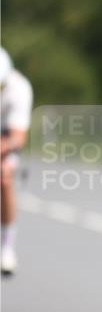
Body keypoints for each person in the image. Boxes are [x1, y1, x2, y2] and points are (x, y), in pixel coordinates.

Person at [1, 47, 34, 276]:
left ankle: (7, 247)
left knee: (5, 177)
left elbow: (17, 136)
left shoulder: (19, 89)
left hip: (5, 135)